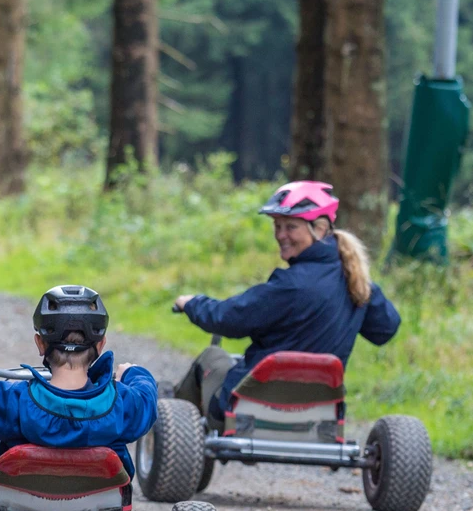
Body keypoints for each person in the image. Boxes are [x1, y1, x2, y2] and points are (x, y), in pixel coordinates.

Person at [171, 180, 401, 425]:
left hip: (251, 407)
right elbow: (385, 329)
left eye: (291, 227)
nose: (281, 235)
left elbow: (227, 318)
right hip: (320, 412)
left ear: (320, 228)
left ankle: (172, 423)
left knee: (212, 356)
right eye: (277, 226)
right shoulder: (357, 282)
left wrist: (192, 303)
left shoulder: (290, 285)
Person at [0, 285, 158, 511]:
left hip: (19, 500)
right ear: (100, 344)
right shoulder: (123, 403)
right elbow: (147, 398)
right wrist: (135, 373)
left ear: (40, 343)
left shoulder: (15, 400)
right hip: (97, 505)